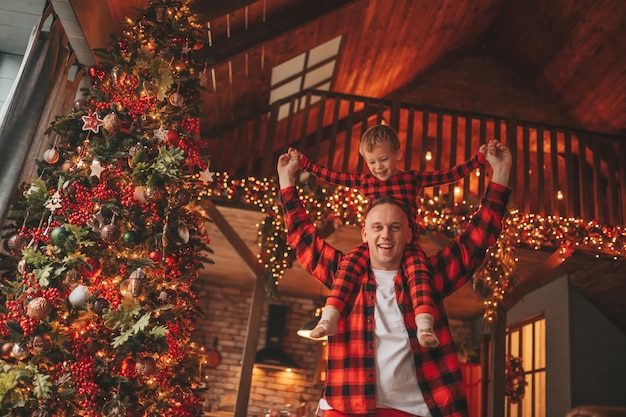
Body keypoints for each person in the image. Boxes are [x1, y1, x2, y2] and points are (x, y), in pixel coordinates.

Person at [277, 140, 512, 417]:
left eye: (395, 227)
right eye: (377, 227)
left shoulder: (428, 276)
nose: (385, 235)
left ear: (409, 234)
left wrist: (500, 173)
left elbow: (476, 239)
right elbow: (303, 239)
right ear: (365, 235)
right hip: (346, 405)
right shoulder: (345, 273)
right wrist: (286, 179)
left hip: (415, 408)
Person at [290, 124, 489, 347]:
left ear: (398, 154)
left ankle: (424, 325)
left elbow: (448, 175)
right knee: (347, 267)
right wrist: (305, 164)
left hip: (408, 243)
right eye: (371, 162)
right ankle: (329, 318)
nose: (378, 167)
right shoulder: (366, 182)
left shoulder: (411, 179)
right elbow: (334, 176)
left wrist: (478, 160)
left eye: (383, 160)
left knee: (419, 274)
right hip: (373, 246)